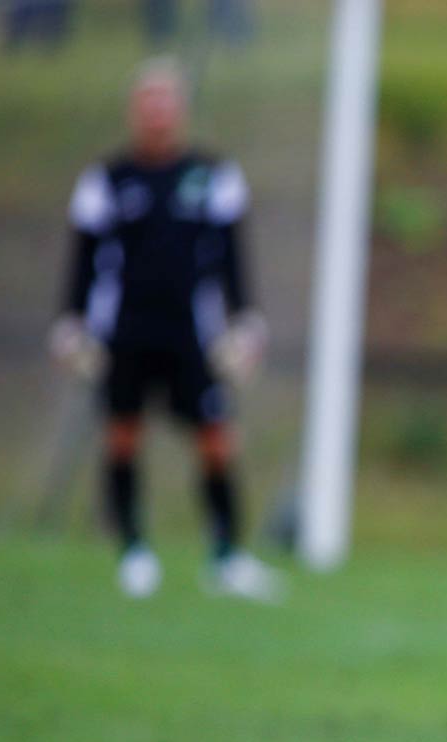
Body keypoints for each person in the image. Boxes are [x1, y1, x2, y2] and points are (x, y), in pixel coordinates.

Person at [52, 58, 279, 601]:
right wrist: (72, 320)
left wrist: (244, 317)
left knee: (216, 440)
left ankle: (226, 556)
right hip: (126, 329)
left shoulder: (211, 175)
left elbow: (231, 257)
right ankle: (133, 551)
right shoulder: (108, 178)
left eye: (167, 100)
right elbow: (85, 259)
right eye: (148, 100)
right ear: (135, 109)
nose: (157, 111)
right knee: (122, 435)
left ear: (181, 109)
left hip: (191, 332)